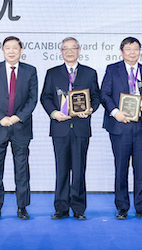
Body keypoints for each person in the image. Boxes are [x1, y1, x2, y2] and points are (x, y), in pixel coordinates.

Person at [40, 37, 101, 220]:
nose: (69, 51)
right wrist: (53, 113)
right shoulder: (52, 73)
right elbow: (45, 97)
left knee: (79, 170)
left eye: (73, 48)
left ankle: (79, 209)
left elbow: (96, 97)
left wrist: (90, 109)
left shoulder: (90, 73)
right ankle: (61, 208)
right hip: (60, 128)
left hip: (81, 128)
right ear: (61, 52)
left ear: (79, 50)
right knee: (61, 170)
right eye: (65, 48)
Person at [101, 37, 142, 220]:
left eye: (136, 49)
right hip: (120, 126)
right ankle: (122, 207)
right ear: (122, 52)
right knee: (121, 168)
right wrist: (115, 112)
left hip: (141, 126)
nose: (133, 53)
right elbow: (104, 94)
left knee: (141, 169)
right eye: (128, 49)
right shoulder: (112, 69)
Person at [0, 36, 38, 221]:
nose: (11, 51)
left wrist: (17, 117)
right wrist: (0, 118)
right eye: (8, 48)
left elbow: (32, 99)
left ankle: (22, 207)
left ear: (21, 50)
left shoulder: (30, 71)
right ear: (3, 50)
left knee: (22, 169)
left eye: (15, 48)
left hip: (20, 126)